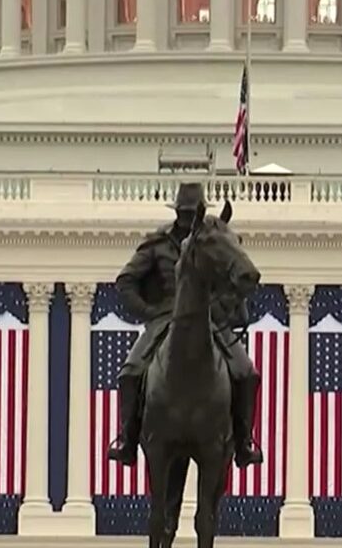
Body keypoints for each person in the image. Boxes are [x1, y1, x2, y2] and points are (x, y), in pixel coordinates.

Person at [107, 182, 265, 468]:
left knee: (247, 372)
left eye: (194, 215)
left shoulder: (215, 240)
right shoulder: (157, 243)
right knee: (130, 372)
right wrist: (150, 311)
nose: (189, 221)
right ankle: (127, 440)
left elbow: (233, 280)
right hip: (165, 319)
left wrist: (224, 307)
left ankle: (243, 441)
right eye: (185, 214)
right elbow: (126, 281)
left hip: (212, 320)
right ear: (178, 214)